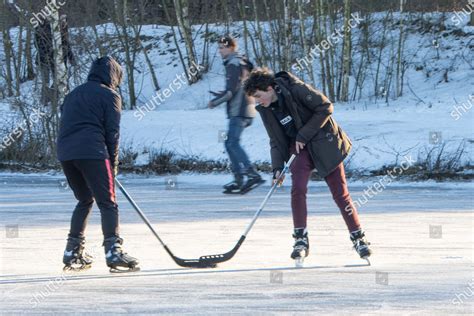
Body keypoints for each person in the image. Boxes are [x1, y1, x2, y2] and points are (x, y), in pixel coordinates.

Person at [243, 67, 372, 264]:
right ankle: (300, 240)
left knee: (340, 193)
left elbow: (326, 107)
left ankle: (358, 237)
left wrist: (303, 134)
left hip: (324, 142)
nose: (258, 102)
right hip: (299, 149)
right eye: (255, 99)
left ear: (270, 88)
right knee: (298, 189)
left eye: (259, 96)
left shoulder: (295, 89)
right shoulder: (266, 109)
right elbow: (275, 140)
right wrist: (277, 167)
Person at [57, 56, 139, 272]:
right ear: (113, 76)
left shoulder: (72, 94)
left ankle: (72, 251)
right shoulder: (110, 95)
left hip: (66, 154)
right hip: (93, 152)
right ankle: (114, 251)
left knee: (85, 199)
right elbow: (112, 133)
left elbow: (65, 120)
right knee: (108, 202)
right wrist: (112, 165)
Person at [208, 35, 264, 194]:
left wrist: (215, 102)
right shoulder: (241, 61)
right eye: (219, 48)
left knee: (232, 142)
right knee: (230, 143)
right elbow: (240, 85)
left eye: (222, 48)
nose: (219, 51)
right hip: (247, 108)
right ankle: (239, 178)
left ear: (231, 48)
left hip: (239, 110)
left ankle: (250, 174)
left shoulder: (233, 64)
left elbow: (230, 92)